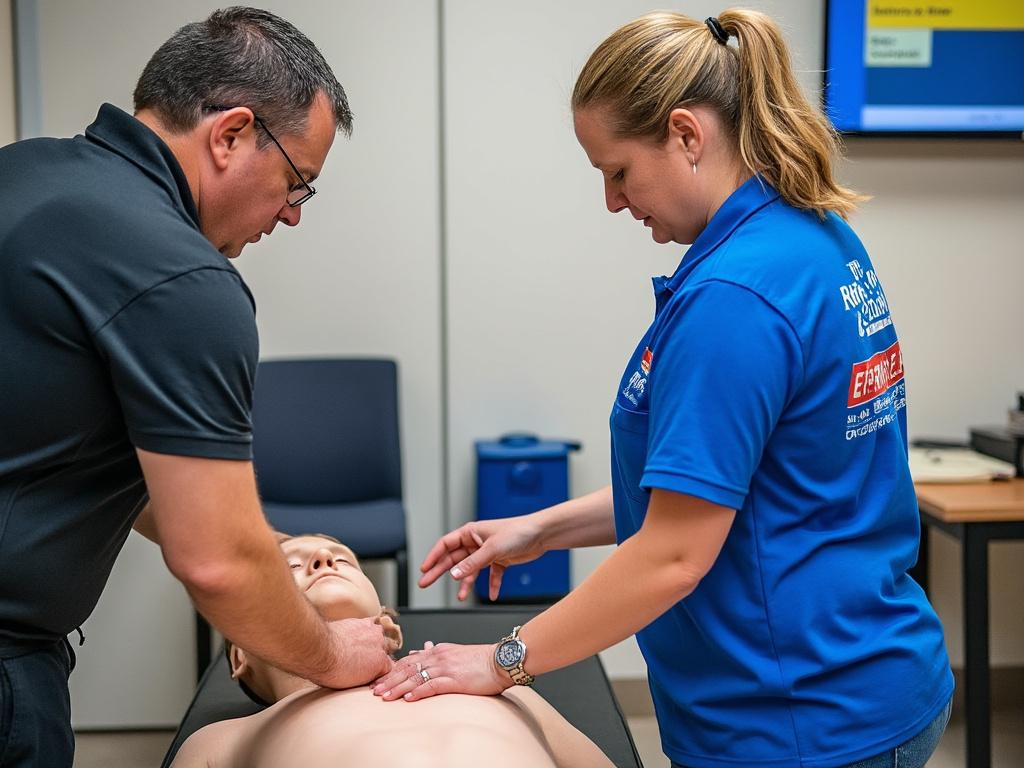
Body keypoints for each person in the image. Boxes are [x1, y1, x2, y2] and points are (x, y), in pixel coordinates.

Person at [373, 10, 953, 768]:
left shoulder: (734, 299)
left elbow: (675, 555)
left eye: (617, 171)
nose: (613, 201)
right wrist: (542, 529)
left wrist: (501, 661)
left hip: (801, 718)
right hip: (870, 673)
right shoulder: (813, 238)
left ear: (685, 134)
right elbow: (726, 486)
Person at [0, 9, 397, 767]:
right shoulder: (182, 280)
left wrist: (274, 547)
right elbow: (215, 563)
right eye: (296, 183)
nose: (290, 214)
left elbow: (68, 452)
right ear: (231, 134)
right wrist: (334, 656)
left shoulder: (20, 175)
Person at [170, 534, 614, 768]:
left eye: (342, 559)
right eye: (288, 566)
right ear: (240, 653)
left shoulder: (505, 688)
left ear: (388, 624)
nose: (323, 558)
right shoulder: (222, 740)